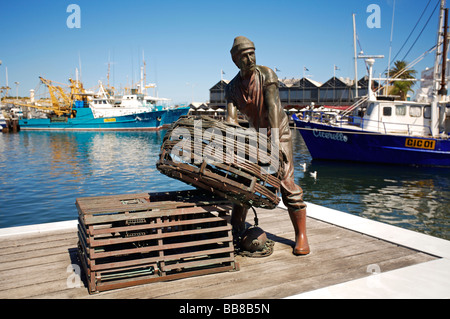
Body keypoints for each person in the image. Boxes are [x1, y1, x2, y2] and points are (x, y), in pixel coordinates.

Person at [225, 36, 310, 255]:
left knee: (286, 181)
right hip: (256, 134)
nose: (250, 59)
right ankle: (235, 231)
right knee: (244, 181)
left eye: (252, 53)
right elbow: (231, 120)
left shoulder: (266, 74)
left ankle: (301, 236)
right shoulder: (232, 88)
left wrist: (272, 145)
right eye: (244, 56)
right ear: (235, 60)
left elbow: (272, 107)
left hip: (278, 132)